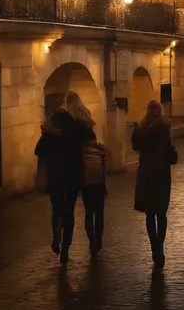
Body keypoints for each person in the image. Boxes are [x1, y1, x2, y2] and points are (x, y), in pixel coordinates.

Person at [35, 90, 95, 264]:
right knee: (69, 210)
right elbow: (90, 139)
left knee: (57, 207)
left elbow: (39, 150)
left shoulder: (54, 122)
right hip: (74, 171)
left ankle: (56, 233)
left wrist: (49, 134)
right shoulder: (81, 123)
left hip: (56, 172)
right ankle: (66, 249)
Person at [132, 100, 176, 270]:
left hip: (146, 175)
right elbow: (169, 154)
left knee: (150, 214)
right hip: (161, 175)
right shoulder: (163, 129)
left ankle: (154, 247)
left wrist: (136, 131)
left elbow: (135, 146)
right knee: (161, 213)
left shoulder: (142, 129)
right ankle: (160, 247)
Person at [82, 139, 108, 255]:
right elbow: (105, 169)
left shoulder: (80, 153)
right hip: (99, 186)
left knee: (89, 213)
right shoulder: (100, 153)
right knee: (99, 214)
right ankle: (98, 239)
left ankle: (92, 239)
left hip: (87, 187)